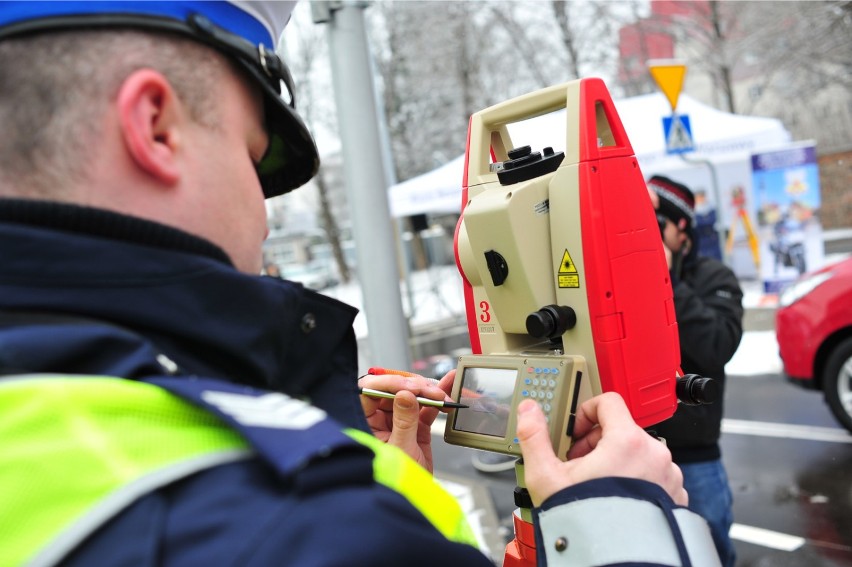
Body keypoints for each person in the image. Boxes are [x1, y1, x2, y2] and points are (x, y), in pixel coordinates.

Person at [0, 2, 717, 565]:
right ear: (155, 126)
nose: (264, 217)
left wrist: (376, 488)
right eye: (254, 157)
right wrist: (622, 523)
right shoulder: (296, 528)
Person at [647, 175, 745, 567]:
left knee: (711, 551)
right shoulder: (621, 278)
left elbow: (716, 346)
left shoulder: (715, 278)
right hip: (638, 447)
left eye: (656, 226)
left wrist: (665, 278)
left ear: (682, 226)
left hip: (695, 454)